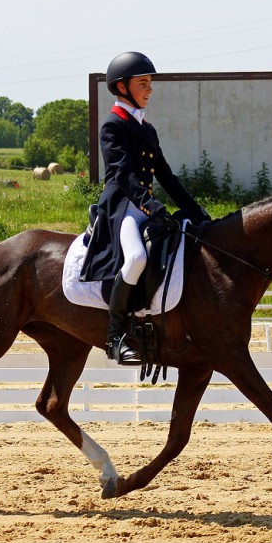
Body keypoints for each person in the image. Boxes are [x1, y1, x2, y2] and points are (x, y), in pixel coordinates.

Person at [80, 51, 210, 365]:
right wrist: (152, 206)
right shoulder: (113, 126)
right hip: (122, 207)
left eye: (150, 82)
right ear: (122, 87)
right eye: (143, 83)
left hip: (143, 206)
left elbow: (166, 176)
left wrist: (196, 212)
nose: (149, 89)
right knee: (137, 257)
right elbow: (123, 176)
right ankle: (115, 337)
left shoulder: (146, 129)